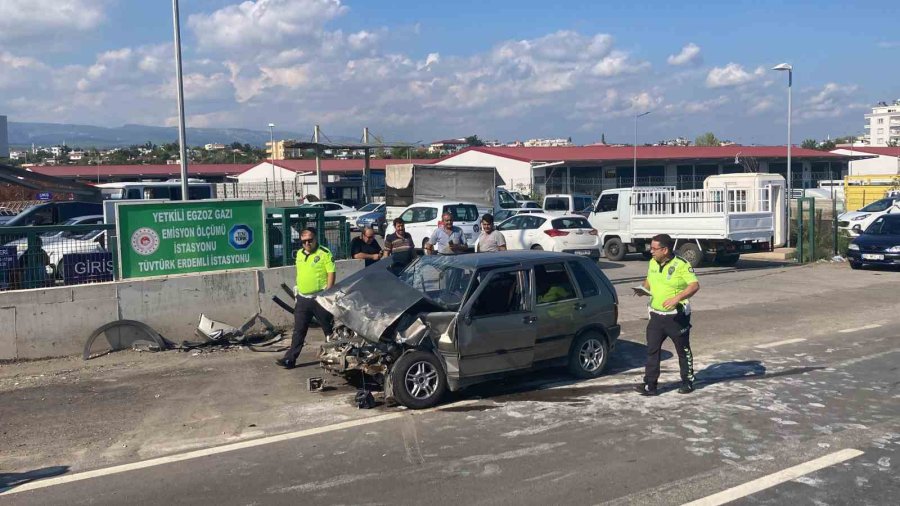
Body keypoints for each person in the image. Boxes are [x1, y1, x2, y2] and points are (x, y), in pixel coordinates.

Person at [634, 234, 700, 396]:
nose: (651, 251)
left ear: (665, 250)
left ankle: (687, 381)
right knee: (652, 350)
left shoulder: (681, 265)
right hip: (656, 315)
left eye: (654, 249)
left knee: (682, 350)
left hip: (676, 317)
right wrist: (643, 289)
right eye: (651, 248)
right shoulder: (652, 262)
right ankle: (650, 384)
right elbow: (649, 280)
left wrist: (677, 298)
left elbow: (694, 285)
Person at [276, 228, 335, 370]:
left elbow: (331, 273)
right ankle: (290, 359)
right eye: (304, 241)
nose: (307, 243)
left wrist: (328, 293)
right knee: (299, 330)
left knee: (329, 329)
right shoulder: (299, 254)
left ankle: (334, 356)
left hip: (319, 298)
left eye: (310, 240)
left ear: (315, 239)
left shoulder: (324, 253)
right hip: (303, 298)